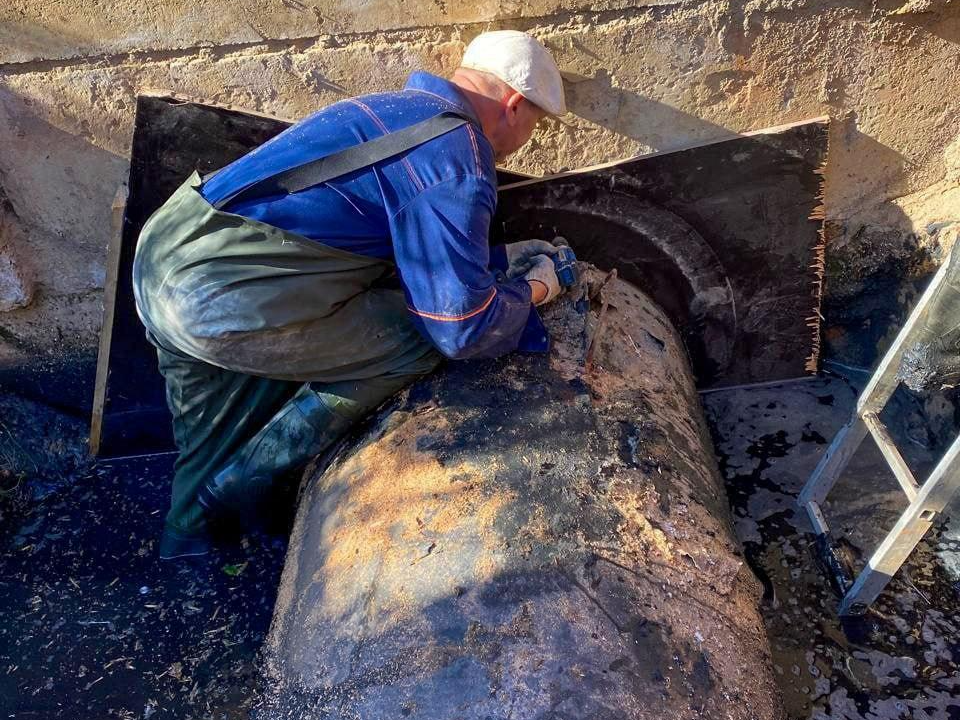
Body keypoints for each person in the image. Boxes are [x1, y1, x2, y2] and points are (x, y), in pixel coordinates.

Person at [132, 30, 569, 560]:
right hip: (231, 298)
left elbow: (371, 233)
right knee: (419, 339)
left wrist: (493, 260)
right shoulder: (457, 155)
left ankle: (185, 550)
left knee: (210, 433)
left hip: (168, 256)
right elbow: (460, 325)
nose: (527, 139)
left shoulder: (391, 106)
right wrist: (536, 288)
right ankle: (243, 488)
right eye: (535, 126)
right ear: (514, 105)